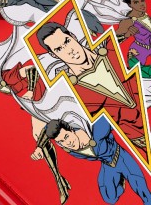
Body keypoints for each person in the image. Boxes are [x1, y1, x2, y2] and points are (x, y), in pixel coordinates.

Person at [0, 39, 72, 204]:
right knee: (38, 136)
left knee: (39, 135)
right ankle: (60, 181)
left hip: (41, 92)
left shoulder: (3, 76)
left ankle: (60, 182)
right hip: (31, 103)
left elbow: (31, 69)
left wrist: (30, 90)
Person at [36, 22, 148, 159]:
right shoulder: (69, 90)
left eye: (67, 41)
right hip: (139, 141)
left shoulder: (110, 47)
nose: (69, 50)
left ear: (73, 36)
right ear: (53, 55)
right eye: (59, 49)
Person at [31, 118, 151, 204]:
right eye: (61, 141)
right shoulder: (67, 148)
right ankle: (120, 181)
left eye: (66, 137)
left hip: (121, 157)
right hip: (107, 165)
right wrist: (39, 146)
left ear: (71, 130)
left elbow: (109, 116)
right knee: (109, 198)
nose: (68, 143)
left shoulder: (95, 131)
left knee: (143, 192)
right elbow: (46, 129)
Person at [116, 0, 151, 65]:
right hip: (139, 51)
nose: (142, 4)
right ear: (129, 5)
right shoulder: (127, 21)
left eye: (142, 0)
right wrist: (126, 35)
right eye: (136, 3)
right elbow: (112, 41)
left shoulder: (142, 13)